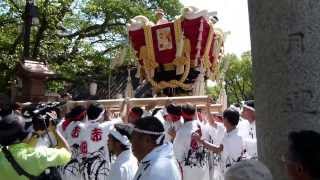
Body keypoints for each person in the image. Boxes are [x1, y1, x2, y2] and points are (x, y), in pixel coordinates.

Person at [0, 113, 71, 180]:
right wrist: (55, 130)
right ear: (23, 135)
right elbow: (67, 153)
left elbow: (22, 150)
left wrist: (37, 134)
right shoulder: (39, 155)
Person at [192, 108, 243, 177]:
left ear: (226, 120)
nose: (222, 119)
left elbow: (218, 149)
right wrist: (207, 107)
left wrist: (201, 141)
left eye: (223, 117)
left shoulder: (234, 137)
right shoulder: (227, 131)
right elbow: (212, 122)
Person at [173, 103, 209, 180]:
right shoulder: (203, 126)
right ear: (194, 113)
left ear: (182, 114)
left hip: (189, 174)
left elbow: (177, 156)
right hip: (203, 170)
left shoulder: (181, 132)